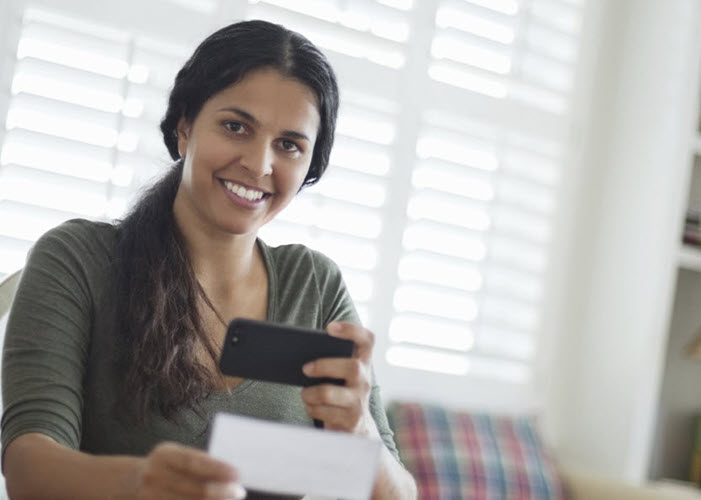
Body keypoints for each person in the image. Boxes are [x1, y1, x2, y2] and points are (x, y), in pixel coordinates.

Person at [1, 19, 417, 500]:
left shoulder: (315, 285)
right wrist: (140, 482)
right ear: (184, 128)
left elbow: (400, 494)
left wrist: (360, 432)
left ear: (309, 167)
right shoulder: (79, 260)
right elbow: (29, 468)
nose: (259, 164)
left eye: (288, 145)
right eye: (235, 127)